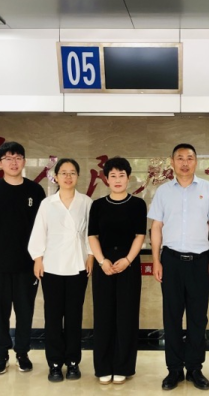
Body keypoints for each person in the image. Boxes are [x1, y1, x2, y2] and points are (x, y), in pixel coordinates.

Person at [148, 143, 209, 391]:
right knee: (171, 317)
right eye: (180, 158)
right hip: (171, 261)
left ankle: (194, 368)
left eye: (189, 158)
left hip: (200, 261)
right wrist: (156, 260)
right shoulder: (163, 191)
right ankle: (173, 369)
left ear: (196, 162)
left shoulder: (207, 188)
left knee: (197, 318)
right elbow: (156, 227)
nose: (184, 162)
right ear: (172, 162)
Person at [0, 141, 46, 375]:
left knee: (25, 311)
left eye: (18, 158)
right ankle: (1, 354)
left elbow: (42, 226)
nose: (13, 162)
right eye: (8, 158)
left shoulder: (35, 191)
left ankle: (22, 353)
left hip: (27, 263)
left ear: (24, 161)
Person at [27, 158, 93, 382]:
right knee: (53, 316)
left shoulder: (86, 202)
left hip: (78, 265)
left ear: (78, 176)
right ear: (55, 177)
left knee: (74, 316)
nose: (68, 176)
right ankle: (54, 363)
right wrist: (37, 259)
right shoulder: (48, 204)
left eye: (72, 172)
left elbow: (91, 233)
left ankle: (73, 361)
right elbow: (39, 232)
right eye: (63, 172)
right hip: (52, 266)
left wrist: (91, 256)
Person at [88, 157, 147, 385]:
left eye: (122, 175)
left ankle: (123, 366)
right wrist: (102, 261)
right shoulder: (98, 205)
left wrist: (128, 260)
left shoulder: (138, 204)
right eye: (112, 175)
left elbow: (139, 235)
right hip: (104, 265)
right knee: (103, 316)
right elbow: (92, 236)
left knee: (126, 316)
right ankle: (103, 366)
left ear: (128, 178)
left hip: (128, 265)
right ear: (106, 179)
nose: (117, 179)